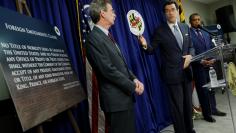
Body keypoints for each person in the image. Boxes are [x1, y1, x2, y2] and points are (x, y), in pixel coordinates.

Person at [85, 0, 144, 133]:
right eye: (112, 11)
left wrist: (134, 79)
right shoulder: (93, 39)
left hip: (124, 99)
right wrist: (132, 86)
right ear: (102, 14)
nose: (115, 14)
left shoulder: (107, 36)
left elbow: (121, 64)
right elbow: (108, 70)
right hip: (116, 102)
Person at [139, 1, 195, 133]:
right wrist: (145, 44)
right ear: (164, 13)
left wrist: (190, 56)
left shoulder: (185, 27)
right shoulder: (160, 30)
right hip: (172, 75)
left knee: (188, 105)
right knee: (177, 109)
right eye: (167, 10)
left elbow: (191, 46)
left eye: (172, 9)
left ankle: (190, 129)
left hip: (187, 73)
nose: (170, 12)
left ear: (177, 11)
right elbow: (151, 49)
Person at [189, 13, 226, 123]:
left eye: (199, 19)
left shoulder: (205, 32)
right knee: (203, 91)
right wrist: (201, 61)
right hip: (199, 68)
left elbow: (211, 47)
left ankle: (213, 109)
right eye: (195, 20)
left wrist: (213, 59)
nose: (197, 22)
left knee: (212, 88)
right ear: (190, 22)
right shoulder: (188, 34)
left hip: (210, 65)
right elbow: (190, 52)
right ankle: (207, 114)